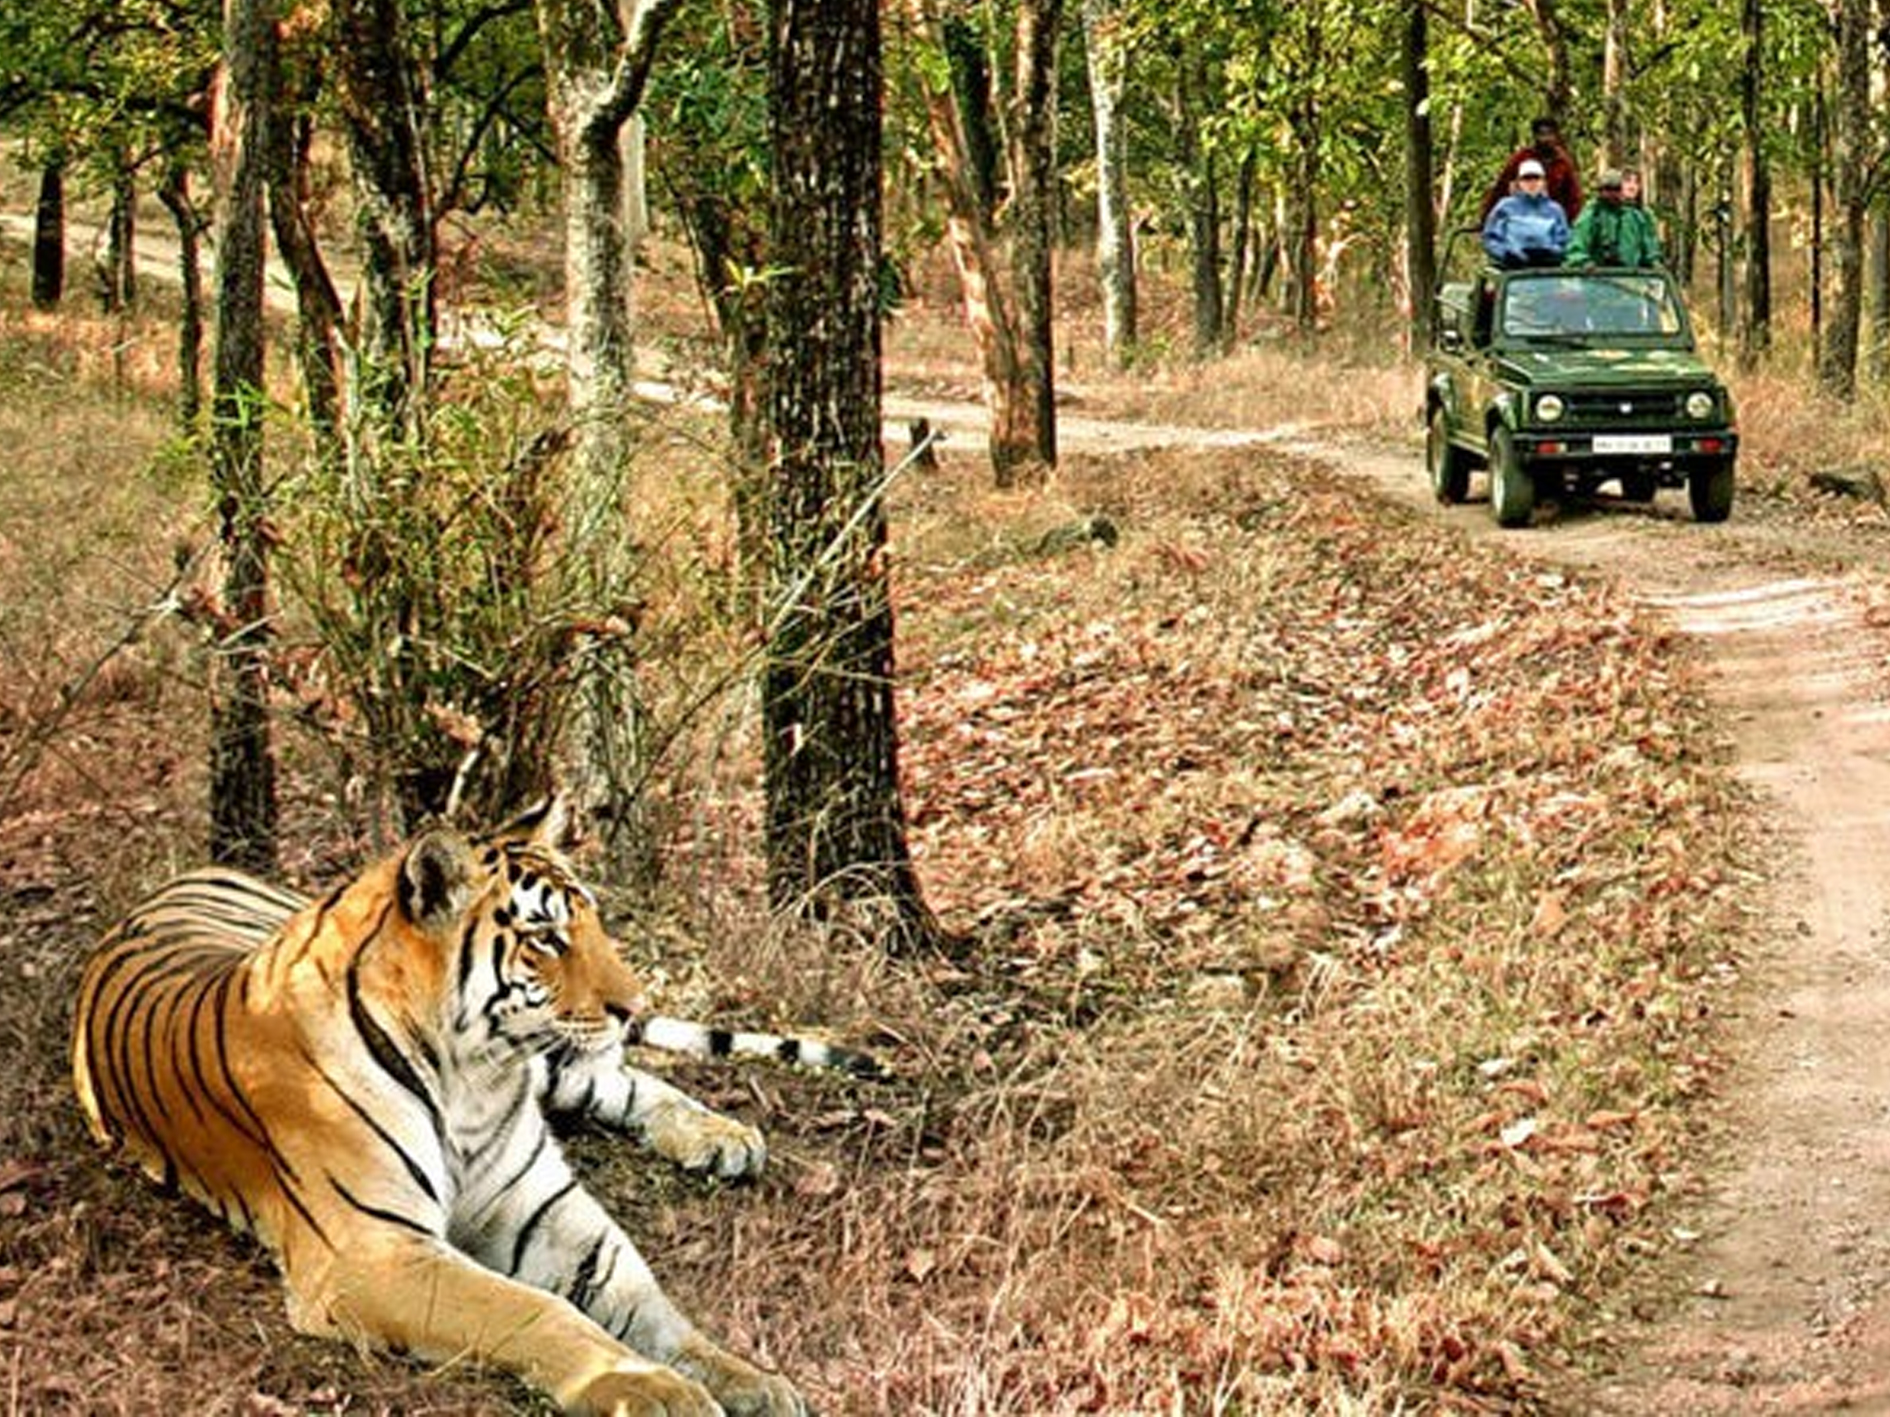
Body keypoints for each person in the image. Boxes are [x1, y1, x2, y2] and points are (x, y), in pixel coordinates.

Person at [1481, 116, 1584, 223]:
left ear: (1556, 136)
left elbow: (1574, 196)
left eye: (1549, 134)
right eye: (1542, 135)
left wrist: (1568, 221)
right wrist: (1488, 217)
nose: (1546, 139)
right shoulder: (1521, 158)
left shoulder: (1563, 163)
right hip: (1521, 217)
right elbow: (1500, 189)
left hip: (1551, 220)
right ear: (1535, 136)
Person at [1481, 159, 1570, 268]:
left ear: (1543, 182)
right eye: (1527, 179)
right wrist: (1505, 255)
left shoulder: (1555, 210)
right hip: (1511, 269)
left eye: (1536, 178)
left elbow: (1564, 241)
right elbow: (1490, 238)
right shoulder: (1505, 206)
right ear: (1519, 182)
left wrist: (1552, 253)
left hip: (1547, 270)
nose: (1532, 183)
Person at [1566, 168, 1662, 267]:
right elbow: (1577, 247)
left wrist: (1654, 263)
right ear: (1600, 191)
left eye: (1616, 189)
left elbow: (1650, 249)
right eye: (1608, 189)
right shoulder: (1592, 213)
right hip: (1596, 276)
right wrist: (1584, 262)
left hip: (1631, 275)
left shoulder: (1636, 216)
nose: (1612, 194)